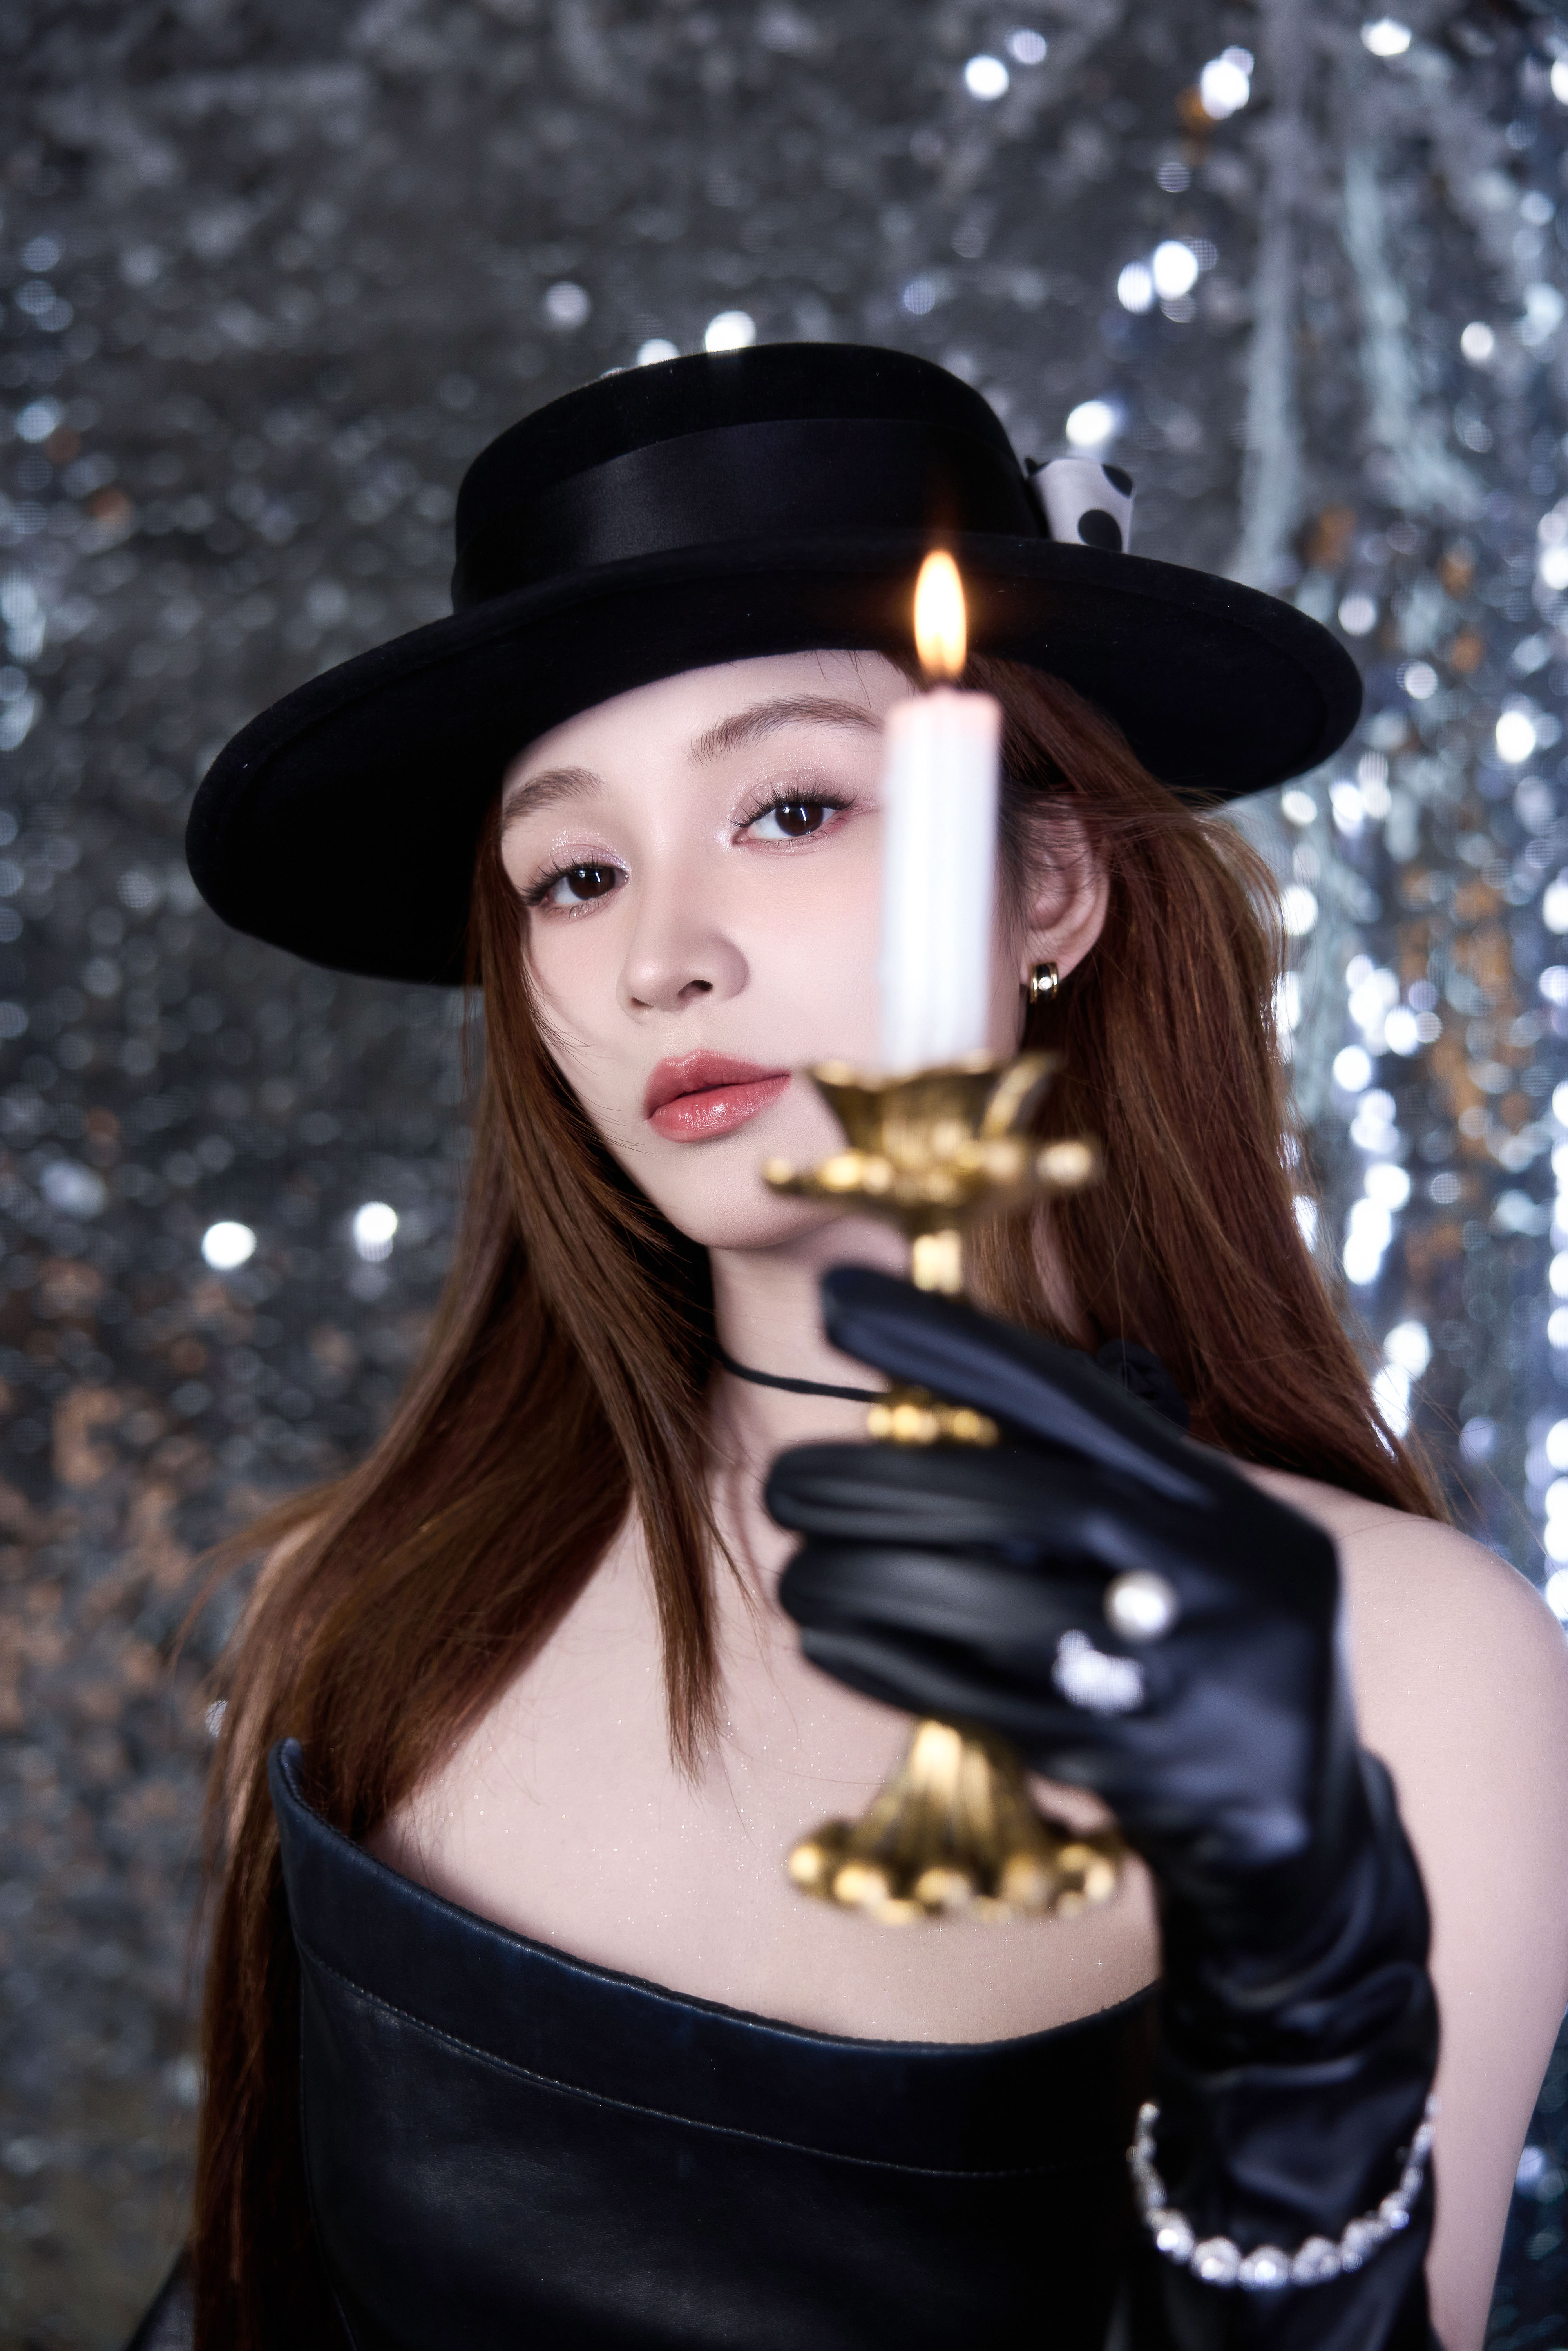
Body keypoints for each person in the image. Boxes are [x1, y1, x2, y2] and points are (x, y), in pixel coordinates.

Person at [133, 344, 1565, 2350]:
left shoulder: (1400, 1661)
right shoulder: (351, 1617)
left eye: (791, 807)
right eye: (575, 875)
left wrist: (1302, 1958)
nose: (663, 958)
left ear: (1045, 881)